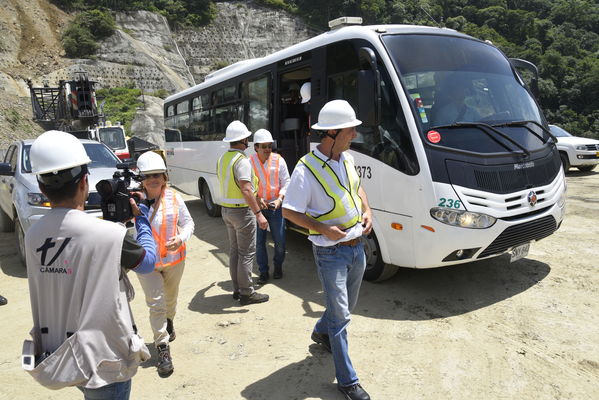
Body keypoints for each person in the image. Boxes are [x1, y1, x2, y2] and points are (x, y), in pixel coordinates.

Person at [23, 130, 156, 400]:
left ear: (42, 186)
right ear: (85, 182)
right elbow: (147, 263)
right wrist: (140, 219)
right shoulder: (108, 236)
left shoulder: (33, 234)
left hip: (60, 352)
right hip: (103, 359)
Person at [282, 100, 373, 400]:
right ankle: (348, 382)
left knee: (342, 311)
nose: (355, 136)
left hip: (357, 248)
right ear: (331, 133)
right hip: (330, 253)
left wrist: (367, 209)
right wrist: (322, 229)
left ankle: (321, 330)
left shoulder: (345, 158)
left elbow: (357, 188)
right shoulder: (305, 170)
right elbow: (289, 211)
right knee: (342, 317)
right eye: (350, 131)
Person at [134, 150, 194, 378]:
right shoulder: (133, 201)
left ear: (164, 177)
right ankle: (162, 348)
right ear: (141, 178)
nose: (153, 179)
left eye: (157, 174)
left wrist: (181, 238)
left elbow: (188, 223)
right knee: (156, 303)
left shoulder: (175, 197)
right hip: (147, 264)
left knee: (170, 298)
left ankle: (170, 321)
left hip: (174, 260)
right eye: (148, 176)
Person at [217, 120, 270, 305]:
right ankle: (246, 292)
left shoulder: (223, 158)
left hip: (226, 211)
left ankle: (237, 289)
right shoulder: (242, 161)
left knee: (235, 252)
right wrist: (259, 214)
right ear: (244, 140)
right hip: (241, 213)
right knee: (246, 253)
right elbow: (246, 189)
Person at [249, 129, 290, 284]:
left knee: (280, 242)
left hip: (276, 207)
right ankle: (263, 271)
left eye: (270, 145)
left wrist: (280, 199)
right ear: (256, 147)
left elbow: (287, 181)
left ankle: (278, 266)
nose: (268, 149)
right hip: (258, 208)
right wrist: (257, 198)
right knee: (259, 243)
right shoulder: (249, 162)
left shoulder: (279, 160)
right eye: (264, 146)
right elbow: (247, 186)